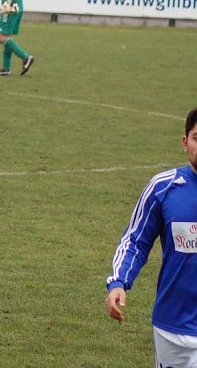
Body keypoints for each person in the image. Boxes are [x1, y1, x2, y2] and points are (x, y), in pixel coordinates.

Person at [106, 107, 197, 367]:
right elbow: (135, 240)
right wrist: (119, 282)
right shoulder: (163, 187)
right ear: (185, 142)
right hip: (173, 329)